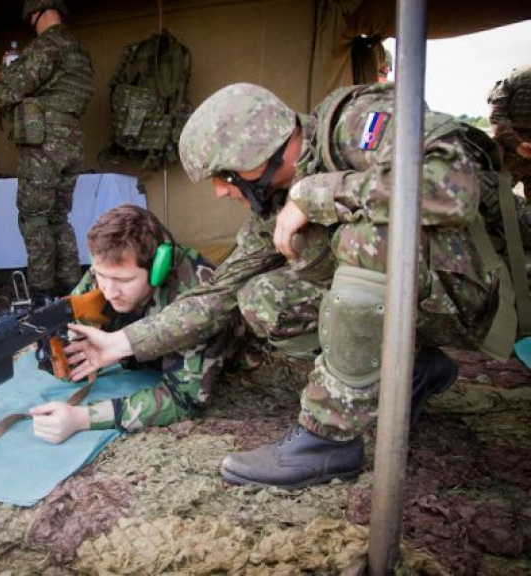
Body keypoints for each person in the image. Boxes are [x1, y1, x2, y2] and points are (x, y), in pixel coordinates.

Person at [66, 82, 517, 490]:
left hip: (481, 293)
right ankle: (414, 367)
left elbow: (451, 186)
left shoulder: (355, 124)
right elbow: (218, 294)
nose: (220, 192)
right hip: (423, 299)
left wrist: (314, 196)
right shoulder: (274, 207)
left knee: (365, 237)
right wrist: (121, 343)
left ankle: (328, 438)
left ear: (258, 157)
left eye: (224, 177)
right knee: (261, 298)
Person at [29, 205, 237, 444]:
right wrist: (57, 352)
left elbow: (185, 400)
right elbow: (74, 359)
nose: (109, 291)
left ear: (157, 269)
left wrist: (82, 418)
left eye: (124, 280)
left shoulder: (197, 296)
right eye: (101, 275)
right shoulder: (108, 271)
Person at [0, 0, 95, 302]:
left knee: (35, 218)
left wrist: (0, 77)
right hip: (71, 140)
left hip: (44, 142)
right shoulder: (80, 51)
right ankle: (72, 291)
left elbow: (8, 92)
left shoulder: (45, 46)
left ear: (36, 13)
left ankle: (41, 294)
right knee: (59, 218)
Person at [488, 64, 531, 193]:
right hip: (512, 151)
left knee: (496, 198)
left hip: (509, 153)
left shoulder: (514, 78)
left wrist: (517, 144)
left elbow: (497, 117)